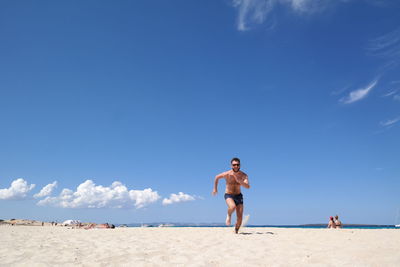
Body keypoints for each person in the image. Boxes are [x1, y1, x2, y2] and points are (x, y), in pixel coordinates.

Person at [212, 157, 250, 234]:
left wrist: (240, 181)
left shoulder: (243, 175)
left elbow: (248, 186)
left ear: (240, 165)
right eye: (234, 165)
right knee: (232, 207)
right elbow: (216, 177)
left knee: (239, 218)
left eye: (237, 165)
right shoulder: (227, 174)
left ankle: (236, 231)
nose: (236, 166)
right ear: (231, 165)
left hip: (239, 196)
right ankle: (229, 215)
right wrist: (215, 189)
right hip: (229, 195)